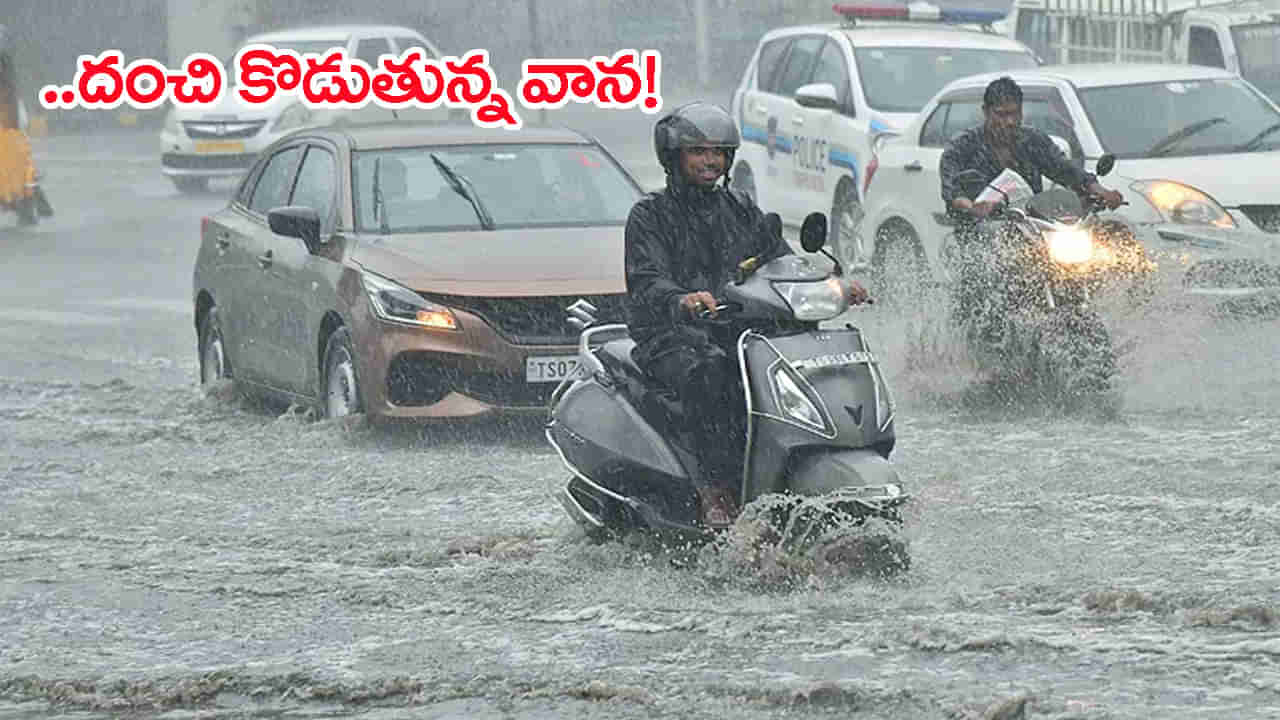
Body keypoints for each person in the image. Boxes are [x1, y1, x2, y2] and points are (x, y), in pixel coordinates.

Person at [624, 102, 870, 528]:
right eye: (698, 152)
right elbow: (647, 279)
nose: (710, 161)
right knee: (712, 373)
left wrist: (834, 285)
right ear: (673, 156)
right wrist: (681, 299)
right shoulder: (650, 215)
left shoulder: (739, 208)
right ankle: (716, 487)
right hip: (671, 334)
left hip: (738, 327)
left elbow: (783, 261)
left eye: (718, 153)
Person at [940, 76, 1124, 223]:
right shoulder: (961, 147)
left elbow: (1065, 169)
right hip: (980, 233)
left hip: (1032, 229)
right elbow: (952, 192)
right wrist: (972, 206)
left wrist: (1099, 191)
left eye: (1015, 113)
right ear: (986, 112)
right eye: (1001, 114)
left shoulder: (1033, 140)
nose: (1009, 121)